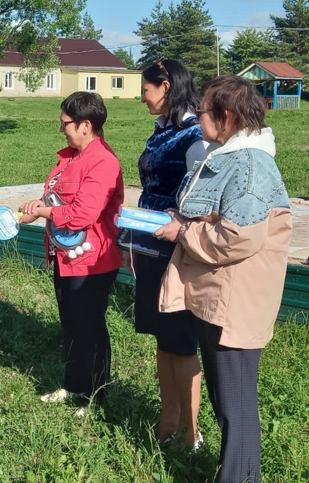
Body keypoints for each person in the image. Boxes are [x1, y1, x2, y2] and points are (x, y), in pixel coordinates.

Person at [155, 75, 292, 483]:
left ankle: (241, 476)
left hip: (235, 303)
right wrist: (181, 219)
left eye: (202, 113)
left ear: (226, 117)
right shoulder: (229, 156)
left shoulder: (250, 167)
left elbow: (236, 238)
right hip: (217, 298)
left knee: (235, 402)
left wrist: (181, 232)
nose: (197, 120)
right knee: (225, 398)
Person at [18, 92, 123, 413]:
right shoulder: (72, 157)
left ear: (86, 125)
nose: (61, 128)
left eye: (65, 123)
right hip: (67, 256)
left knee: (89, 326)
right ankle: (75, 384)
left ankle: (98, 393)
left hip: (93, 261)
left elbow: (83, 214)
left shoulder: (103, 162)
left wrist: (44, 213)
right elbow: (57, 197)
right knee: (72, 324)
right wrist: (39, 206)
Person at [134, 58, 211, 448]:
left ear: (165, 87)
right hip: (150, 244)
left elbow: (202, 200)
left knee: (181, 342)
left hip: (178, 250)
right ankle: (168, 421)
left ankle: (190, 432)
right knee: (162, 340)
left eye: (146, 90)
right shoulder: (163, 129)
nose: (142, 97)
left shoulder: (195, 136)